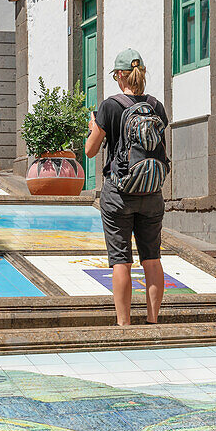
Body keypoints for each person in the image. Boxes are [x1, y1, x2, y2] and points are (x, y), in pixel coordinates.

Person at [85, 48, 170, 326]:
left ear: (119, 75)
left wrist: (93, 126)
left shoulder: (110, 106)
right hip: (152, 193)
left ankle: (124, 324)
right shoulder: (156, 106)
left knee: (121, 260)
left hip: (119, 194)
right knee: (152, 258)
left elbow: (90, 150)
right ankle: (153, 320)